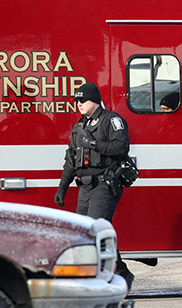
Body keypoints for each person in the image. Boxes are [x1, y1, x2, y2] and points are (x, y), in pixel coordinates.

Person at [54, 82, 135, 289]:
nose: (78, 104)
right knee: (84, 233)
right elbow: (72, 160)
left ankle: (116, 275)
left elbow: (121, 147)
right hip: (85, 187)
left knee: (95, 230)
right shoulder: (80, 125)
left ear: (94, 101)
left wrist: (93, 144)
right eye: (76, 101)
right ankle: (116, 273)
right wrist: (62, 188)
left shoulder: (112, 120)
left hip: (104, 184)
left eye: (82, 100)